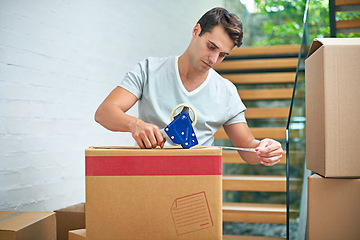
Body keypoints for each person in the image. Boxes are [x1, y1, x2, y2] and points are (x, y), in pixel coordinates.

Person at [95, 7, 283, 166]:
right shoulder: (149, 70)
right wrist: (134, 124)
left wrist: (264, 149)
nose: (214, 59)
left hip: (197, 182)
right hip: (147, 175)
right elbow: (104, 112)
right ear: (196, 31)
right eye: (211, 47)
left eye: (223, 55)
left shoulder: (226, 92)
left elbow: (247, 147)